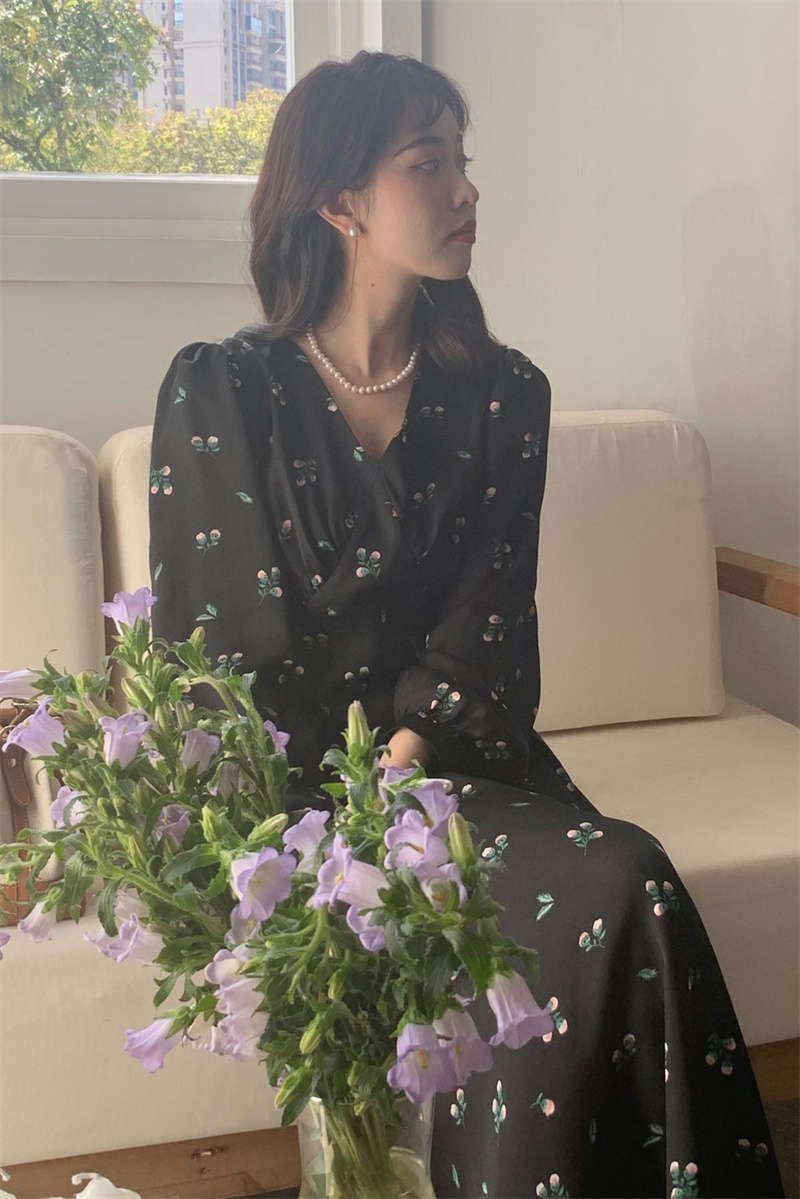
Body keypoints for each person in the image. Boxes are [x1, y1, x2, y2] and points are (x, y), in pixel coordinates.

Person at [147, 50, 785, 1199]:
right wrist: (331, 823)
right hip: (282, 810)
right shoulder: (223, 390)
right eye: (425, 162)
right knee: (575, 894)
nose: (464, 188)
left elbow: (487, 623)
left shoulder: (502, 394)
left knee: (623, 877)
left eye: (461, 159)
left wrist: (399, 778)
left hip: (450, 772)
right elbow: (217, 647)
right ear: (340, 200)